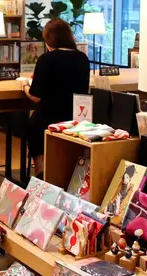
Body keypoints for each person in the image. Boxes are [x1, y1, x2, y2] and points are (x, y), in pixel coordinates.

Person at [20, 19, 90, 177]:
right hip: (76, 119)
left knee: (33, 125)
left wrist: (24, 86)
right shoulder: (82, 58)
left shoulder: (46, 59)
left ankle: (40, 173)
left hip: (49, 120)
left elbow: (36, 97)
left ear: (49, 41)